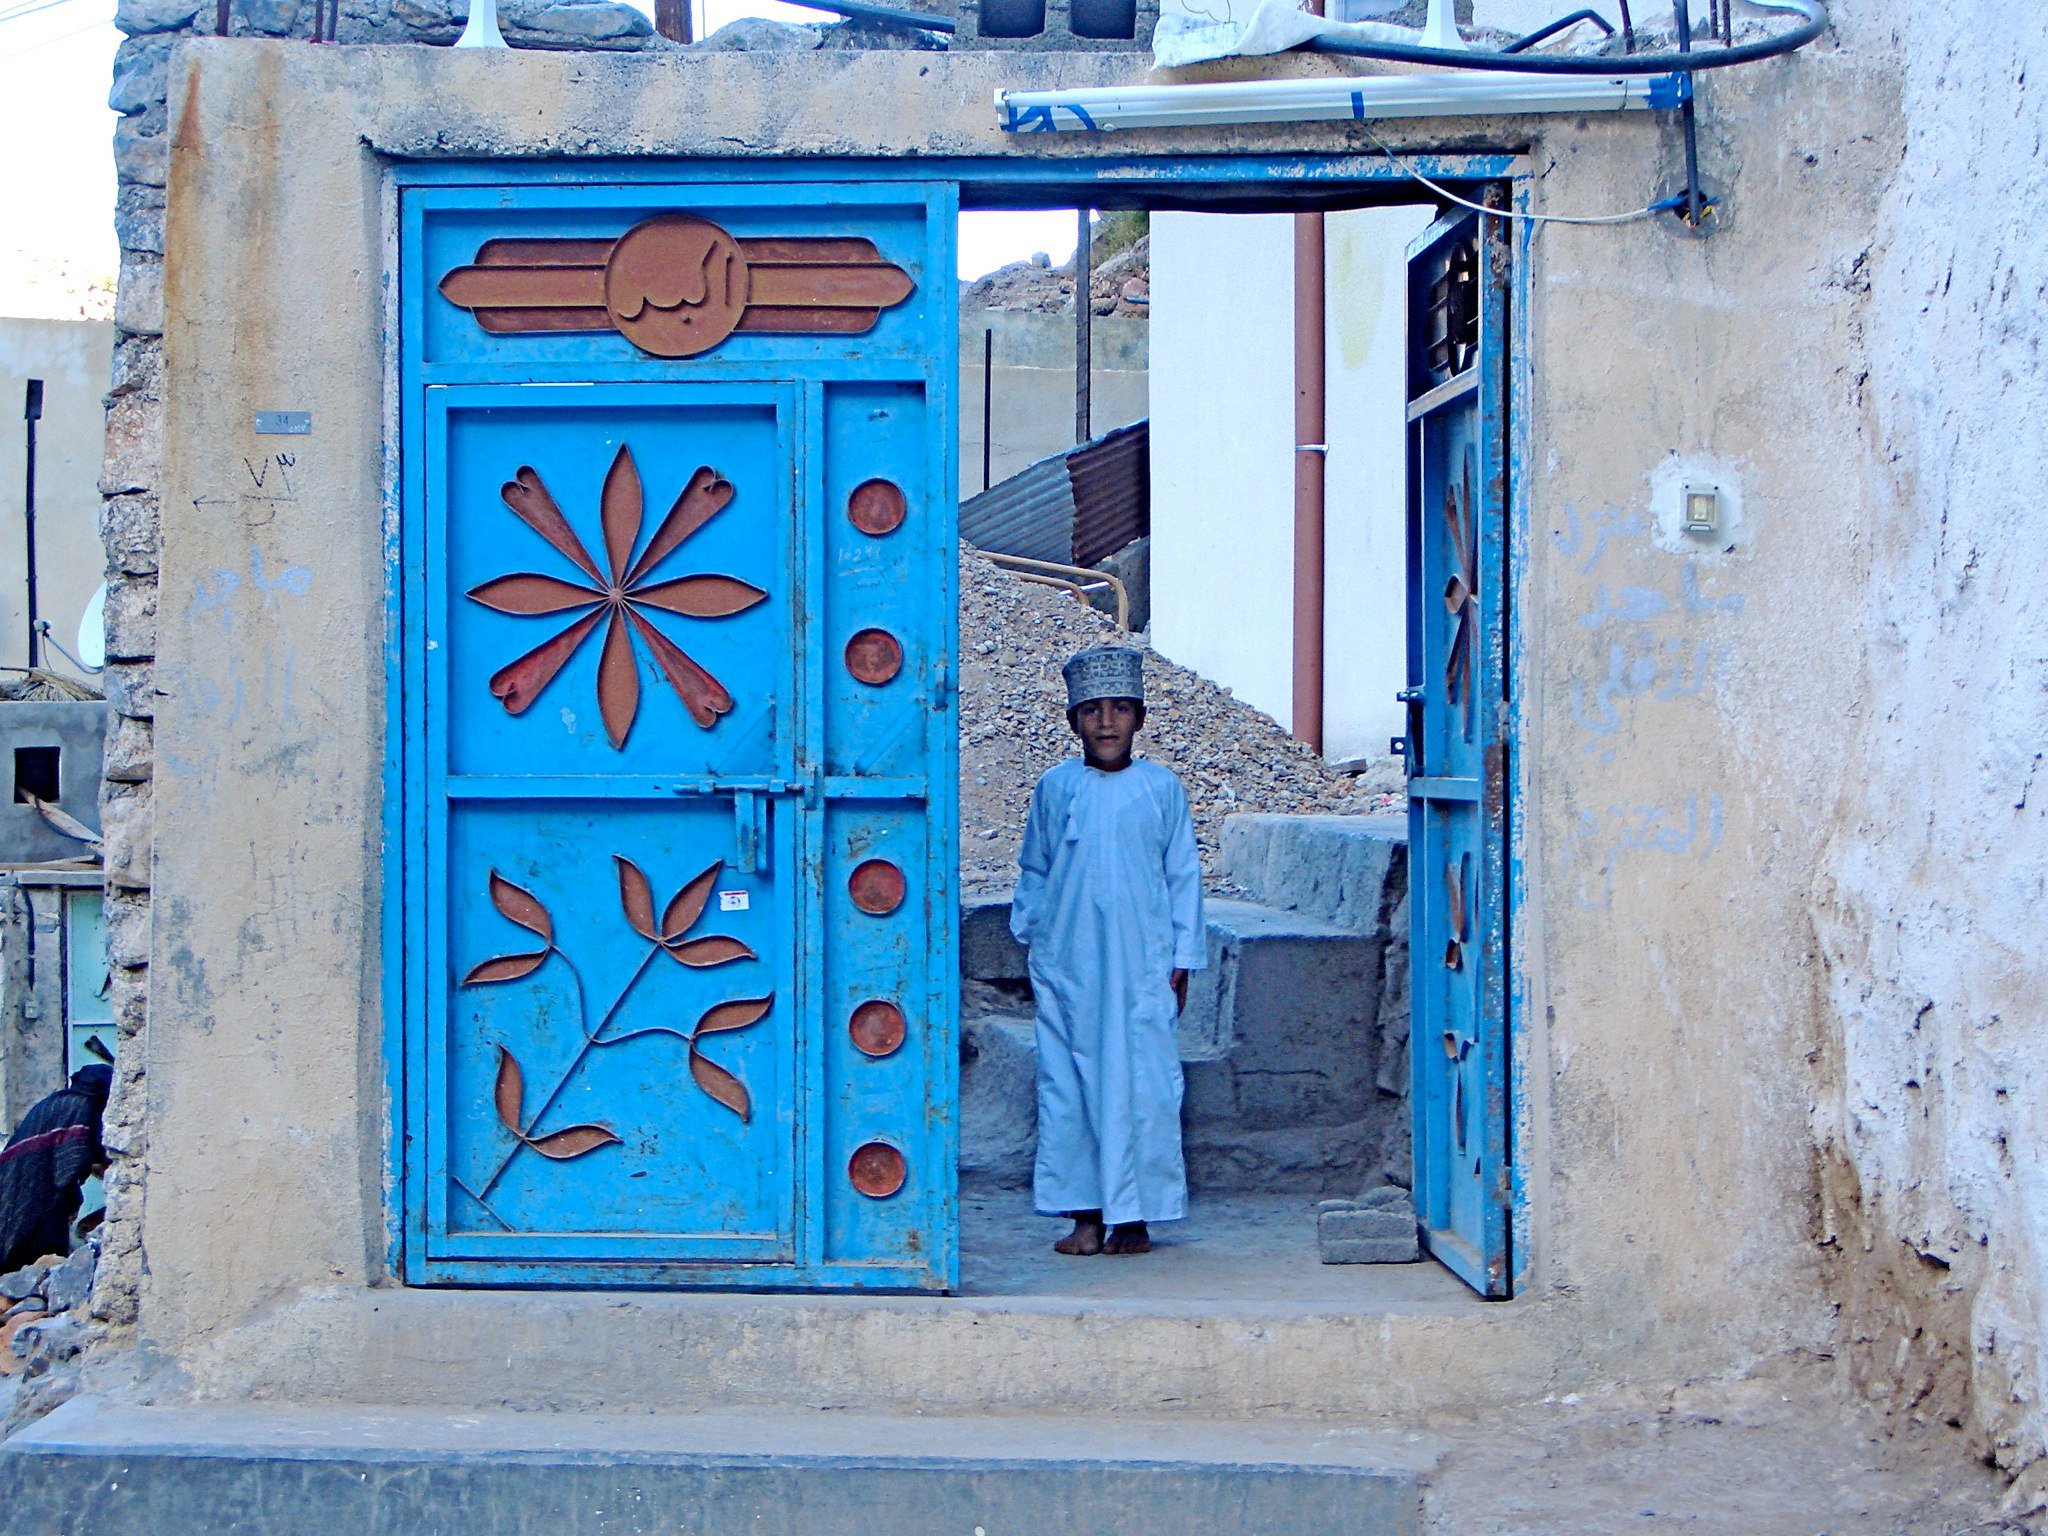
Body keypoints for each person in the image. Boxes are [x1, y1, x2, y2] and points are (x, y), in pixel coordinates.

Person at [1010, 646, 1205, 1257]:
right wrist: (1038, 940)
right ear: (1073, 720)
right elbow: (1034, 870)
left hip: (1142, 968)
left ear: (1140, 718)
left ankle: (1135, 1218)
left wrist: (1183, 957)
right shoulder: (1056, 786)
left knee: (1143, 1087)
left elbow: (1183, 876)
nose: (1106, 722)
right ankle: (1085, 1216)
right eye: (1092, 710)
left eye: (1120, 709)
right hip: (1069, 968)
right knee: (1069, 1085)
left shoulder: (1161, 788)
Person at [0, 1064, 111, 1275]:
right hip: (39, 1188)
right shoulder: (84, 1107)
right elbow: (72, 1161)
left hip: (20, 1182)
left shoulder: (57, 1102)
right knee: (44, 1240)